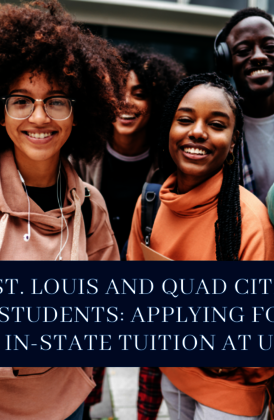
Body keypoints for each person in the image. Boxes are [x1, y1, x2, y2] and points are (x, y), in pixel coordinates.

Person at [127, 72, 274, 419]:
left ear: (234, 138)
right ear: (168, 128)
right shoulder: (150, 204)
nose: (197, 131)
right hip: (174, 374)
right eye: (185, 120)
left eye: (216, 123)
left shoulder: (249, 221)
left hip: (232, 392)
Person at [0, 0, 123, 417]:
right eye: (21, 100)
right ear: (1, 114)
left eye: (55, 101)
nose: (39, 117)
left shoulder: (90, 205)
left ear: (77, 115)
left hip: (62, 402)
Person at [72, 44, 185, 254]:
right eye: (117, 91)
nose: (125, 102)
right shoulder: (79, 156)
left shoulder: (171, 162)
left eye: (139, 94)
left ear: (156, 102)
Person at [215, 7, 274, 204]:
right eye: (244, 51)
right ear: (226, 62)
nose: (260, 57)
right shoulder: (218, 119)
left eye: (270, 47)